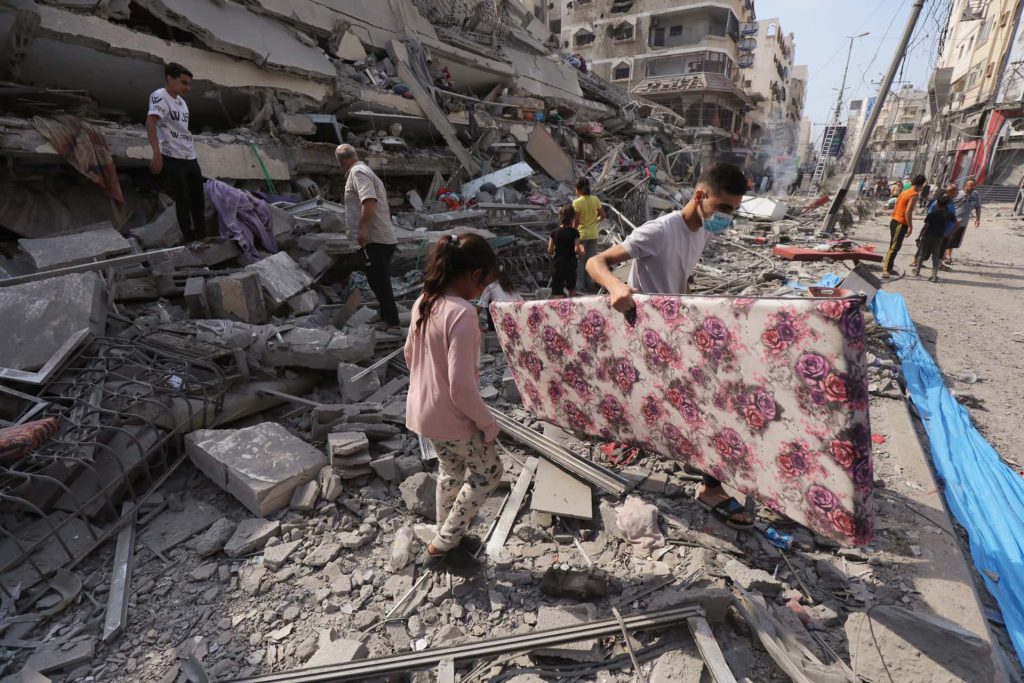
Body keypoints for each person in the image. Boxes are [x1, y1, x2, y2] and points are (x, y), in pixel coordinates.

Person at [586, 162, 753, 529]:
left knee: (696, 401)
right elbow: (596, 262)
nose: (727, 217)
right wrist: (615, 287)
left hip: (673, 332)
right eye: (723, 207)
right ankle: (711, 488)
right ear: (700, 195)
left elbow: (681, 274)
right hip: (646, 335)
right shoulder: (660, 231)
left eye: (733, 210)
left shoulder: (702, 231)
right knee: (704, 403)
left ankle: (692, 459)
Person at [405, 234, 503, 576]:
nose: (483, 290)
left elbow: (408, 356)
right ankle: (441, 547)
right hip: (452, 416)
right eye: (484, 283)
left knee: (450, 472)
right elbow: (461, 387)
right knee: (489, 473)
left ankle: (449, 535)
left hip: (423, 412)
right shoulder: (463, 314)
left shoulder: (424, 301)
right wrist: (488, 423)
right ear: (475, 275)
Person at [336, 144, 401, 329]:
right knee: (376, 281)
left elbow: (369, 200)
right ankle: (384, 315)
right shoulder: (364, 170)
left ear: (340, 161)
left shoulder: (358, 173)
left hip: (375, 239)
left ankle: (392, 323)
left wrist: (363, 228)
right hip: (379, 239)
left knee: (380, 282)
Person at [147, 62, 205, 243]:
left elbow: (180, 129)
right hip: (173, 157)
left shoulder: (182, 102)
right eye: (184, 83)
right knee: (183, 200)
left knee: (199, 199)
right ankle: (190, 240)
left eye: (189, 84)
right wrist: (156, 153)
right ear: (170, 79)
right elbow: (151, 122)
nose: (188, 88)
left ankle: (202, 238)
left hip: (190, 156)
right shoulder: (160, 96)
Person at [881, 174, 924, 279]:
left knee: (895, 246)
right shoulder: (914, 194)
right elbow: (908, 212)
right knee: (894, 247)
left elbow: (896, 206)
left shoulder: (904, 192)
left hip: (895, 221)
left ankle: (889, 267)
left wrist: (894, 216)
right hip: (900, 223)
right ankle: (886, 269)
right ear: (920, 185)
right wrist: (910, 226)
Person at [572, 178, 607, 293]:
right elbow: (603, 216)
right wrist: (595, 221)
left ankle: (580, 286)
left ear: (579, 189)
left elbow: (576, 221)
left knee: (580, 261)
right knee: (591, 260)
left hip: (581, 235)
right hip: (593, 234)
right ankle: (590, 285)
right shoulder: (595, 199)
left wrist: (572, 233)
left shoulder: (577, 202)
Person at [914, 192, 957, 282]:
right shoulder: (949, 214)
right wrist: (950, 233)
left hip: (927, 236)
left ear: (937, 204)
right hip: (939, 238)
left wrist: (919, 237)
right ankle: (934, 275)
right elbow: (957, 224)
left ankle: (917, 271)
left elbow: (925, 227)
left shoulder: (932, 214)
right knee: (935, 256)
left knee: (922, 254)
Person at [945, 179, 982, 265]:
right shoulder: (957, 194)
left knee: (955, 240)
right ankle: (947, 256)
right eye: (971, 185)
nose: (973, 187)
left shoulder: (976, 195)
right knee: (950, 238)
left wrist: (978, 219)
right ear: (965, 186)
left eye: (974, 185)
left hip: (964, 222)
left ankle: (945, 254)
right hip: (953, 221)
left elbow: (978, 207)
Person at [549, 205, 584, 297]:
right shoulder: (575, 232)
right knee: (571, 289)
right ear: (572, 217)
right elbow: (577, 249)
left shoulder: (554, 232)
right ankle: (572, 305)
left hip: (558, 264)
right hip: (571, 264)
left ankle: (559, 306)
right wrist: (582, 252)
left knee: (557, 291)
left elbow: (550, 250)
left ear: (560, 216)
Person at [476, 262, 520, 331]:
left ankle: (491, 328)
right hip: (513, 321)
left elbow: (478, 310)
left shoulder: (491, 287)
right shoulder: (512, 288)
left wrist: (478, 327)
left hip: (499, 323)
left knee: (489, 303)